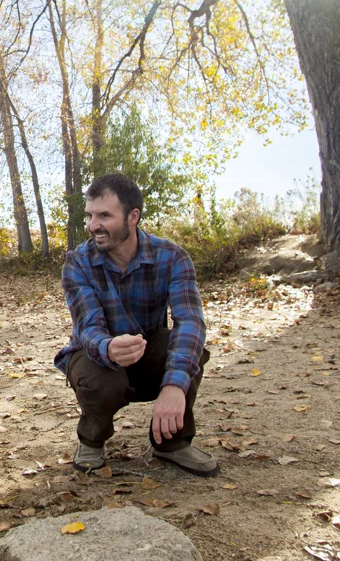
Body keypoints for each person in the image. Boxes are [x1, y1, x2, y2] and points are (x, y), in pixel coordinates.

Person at [54, 173, 218, 477]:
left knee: (186, 346)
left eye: (104, 216)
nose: (93, 225)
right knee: (101, 377)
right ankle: (92, 439)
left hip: (147, 352)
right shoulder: (78, 262)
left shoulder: (172, 257)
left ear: (133, 217)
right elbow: (87, 327)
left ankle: (172, 442)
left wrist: (174, 385)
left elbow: (191, 322)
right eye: (89, 215)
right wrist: (108, 347)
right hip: (97, 356)